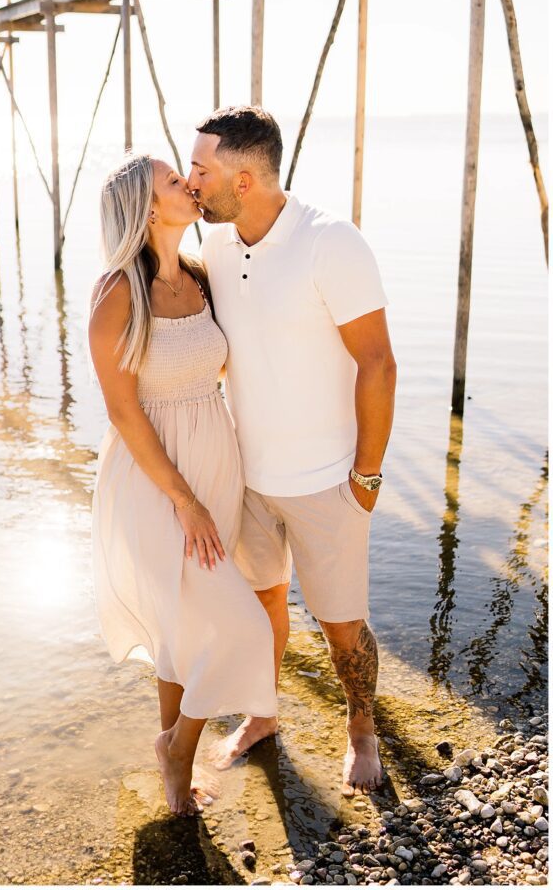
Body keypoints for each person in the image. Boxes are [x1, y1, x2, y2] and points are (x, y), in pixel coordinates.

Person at [188, 105, 397, 796]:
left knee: (342, 631)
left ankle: (361, 727)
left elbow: (378, 364)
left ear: (243, 180)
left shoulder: (331, 242)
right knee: (259, 611)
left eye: (201, 170)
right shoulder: (214, 244)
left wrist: (366, 476)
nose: (192, 184)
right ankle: (263, 715)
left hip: (326, 482)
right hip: (248, 477)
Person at [88, 152, 278, 817]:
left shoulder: (200, 277)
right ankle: (177, 746)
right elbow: (121, 410)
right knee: (244, 627)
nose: (190, 185)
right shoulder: (118, 290)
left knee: (182, 630)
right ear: (147, 207)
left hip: (214, 463)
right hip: (155, 481)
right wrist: (185, 500)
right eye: (176, 181)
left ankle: (177, 760)